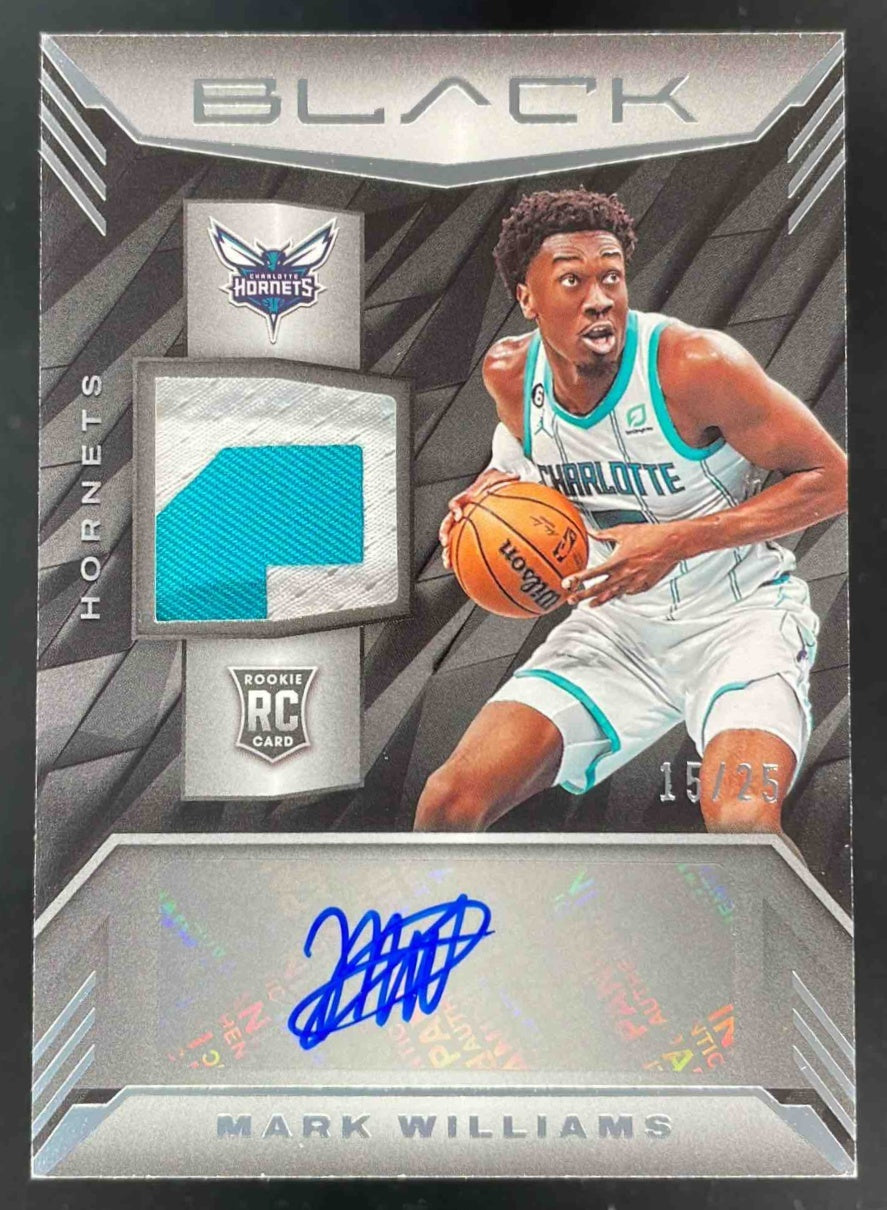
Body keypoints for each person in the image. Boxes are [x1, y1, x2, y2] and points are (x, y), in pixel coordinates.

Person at [413, 188, 847, 837]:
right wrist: (482, 499)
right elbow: (520, 462)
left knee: (742, 827)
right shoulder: (509, 375)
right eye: (572, 280)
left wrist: (675, 541)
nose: (599, 299)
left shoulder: (694, 365)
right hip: (615, 631)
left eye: (611, 276)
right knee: (448, 803)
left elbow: (834, 479)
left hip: (738, 625)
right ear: (527, 298)